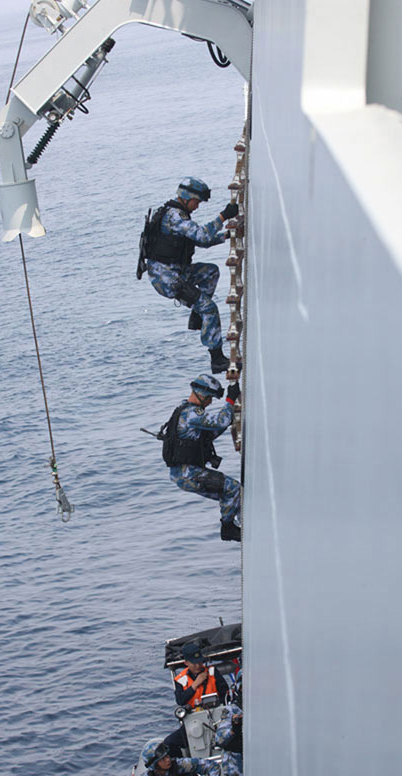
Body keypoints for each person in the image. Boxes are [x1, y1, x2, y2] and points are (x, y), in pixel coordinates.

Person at [139, 177, 238, 374]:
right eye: (197, 201)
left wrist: (227, 236)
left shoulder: (178, 214)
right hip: (167, 279)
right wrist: (223, 216)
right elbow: (202, 235)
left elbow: (202, 241)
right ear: (187, 198)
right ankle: (217, 359)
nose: (198, 206)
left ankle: (195, 316)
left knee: (210, 272)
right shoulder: (174, 217)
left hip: (176, 271)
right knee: (209, 309)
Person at [161, 374, 241, 542]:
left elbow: (209, 433)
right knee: (233, 489)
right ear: (202, 396)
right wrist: (230, 400)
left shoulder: (182, 408)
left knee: (228, 495)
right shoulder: (192, 414)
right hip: (188, 474)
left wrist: (230, 419)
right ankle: (227, 528)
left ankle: (240, 517)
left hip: (182, 474)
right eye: (210, 399)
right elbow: (219, 421)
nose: (210, 402)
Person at [174, 641, 229, 708]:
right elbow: (180, 701)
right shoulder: (180, 679)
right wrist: (195, 684)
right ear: (186, 663)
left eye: (199, 662)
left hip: (216, 710)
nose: (198, 666)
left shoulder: (212, 672)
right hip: (193, 715)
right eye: (194, 663)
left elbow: (226, 694)